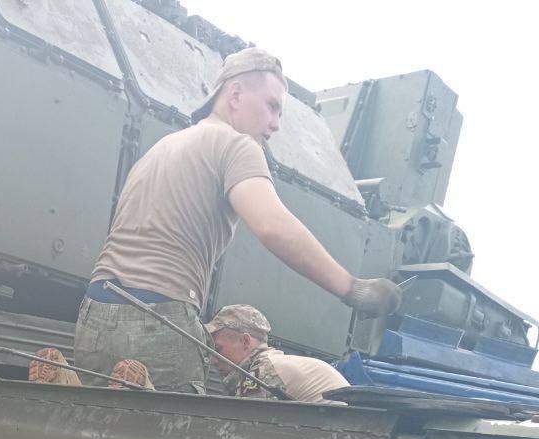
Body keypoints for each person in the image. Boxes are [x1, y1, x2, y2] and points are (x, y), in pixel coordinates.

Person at [73, 47, 400, 393]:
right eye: (272, 106)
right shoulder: (236, 145)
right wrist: (352, 288)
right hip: (157, 315)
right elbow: (272, 225)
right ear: (236, 94)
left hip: (94, 317)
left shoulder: (163, 146)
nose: (276, 123)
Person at [207, 304, 349, 403]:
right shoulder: (274, 363)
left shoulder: (263, 371)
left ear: (245, 341)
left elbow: (243, 431)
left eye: (218, 349)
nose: (213, 359)